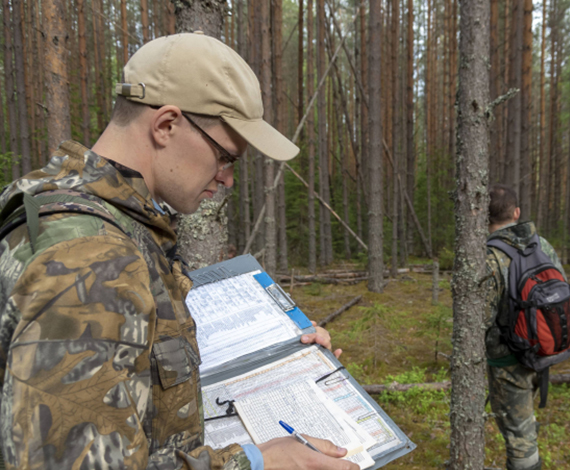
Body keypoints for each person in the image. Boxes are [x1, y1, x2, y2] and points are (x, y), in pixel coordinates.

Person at [0, 33, 356, 470]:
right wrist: (254, 463)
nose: (226, 179)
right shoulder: (91, 258)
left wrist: (286, 366)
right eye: (226, 156)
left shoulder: (87, 215)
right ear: (166, 125)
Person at [484, 184, 565, 470]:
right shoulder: (542, 245)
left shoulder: (489, 256)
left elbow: (481, 319)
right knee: (522, 418)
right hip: (543, 347)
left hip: (509, 358)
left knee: (518, 436)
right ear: (517, 212)